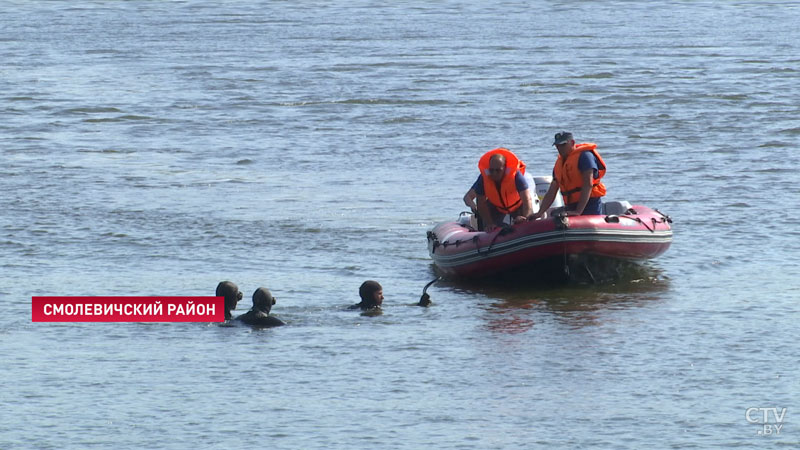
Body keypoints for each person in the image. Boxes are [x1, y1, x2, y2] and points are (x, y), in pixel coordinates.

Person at [531, 132, 607, 218]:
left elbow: (588, 184)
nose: (560, 148)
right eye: (557, 146)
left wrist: (578, 211)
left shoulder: (585, 156)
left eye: (563, 145)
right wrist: (540, 213)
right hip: (571, 205)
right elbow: (552, 190)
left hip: (590, 204)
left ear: (572, 143)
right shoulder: (559, 163)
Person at [471, 148, 534, 231]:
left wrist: (525, 217)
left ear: (504, 168)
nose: (494, 173)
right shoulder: (483, 178)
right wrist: (489, 223)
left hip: (518, 205)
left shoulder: (516, 176)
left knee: (526, 224)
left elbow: (527, 200)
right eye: (492, 170)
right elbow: (480, 203)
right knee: (489, 228)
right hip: (496, 207)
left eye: (498, 170)